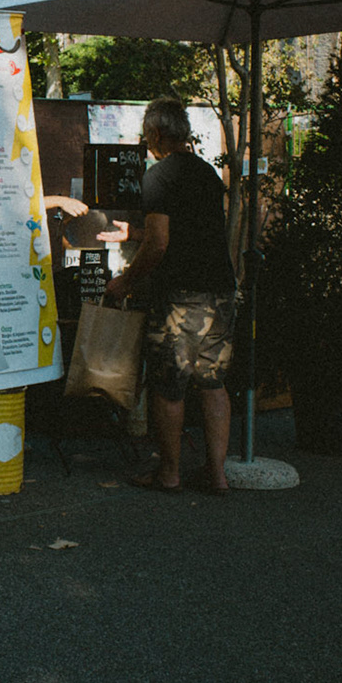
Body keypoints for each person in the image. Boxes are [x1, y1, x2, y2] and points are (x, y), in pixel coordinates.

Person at [105, 97, 237, 496]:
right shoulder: (209, 175)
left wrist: (125, 281)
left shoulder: (158, 176)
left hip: (180, 296)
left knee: (168, 386)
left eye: (146, 135)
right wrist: (135, 235)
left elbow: (161, 243)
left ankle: (170, 473)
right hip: (221, 291)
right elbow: (192, 230)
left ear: (157, 134)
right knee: (213, 384)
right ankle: (217, 475)